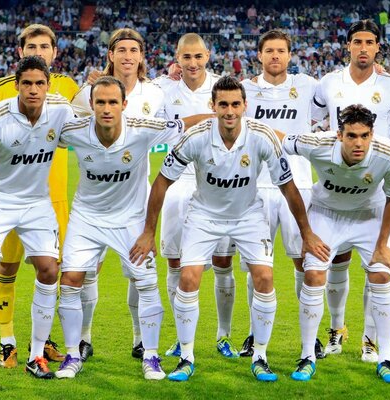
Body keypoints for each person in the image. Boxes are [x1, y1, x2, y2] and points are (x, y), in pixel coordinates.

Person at [140, 76, 329, 382]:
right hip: (204, 214)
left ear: (245, 106)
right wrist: (149, 231)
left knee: (265, 277)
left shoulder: (262, 136)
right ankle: (186, 357)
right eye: (223, 104)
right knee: (188, 278)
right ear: (212, 106)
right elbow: (161, 181)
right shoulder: (196, 136)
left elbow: (289, 187)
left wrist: (307, 233)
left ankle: (260, 356)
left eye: (235, 104)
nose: (229, 111)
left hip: (248, 215)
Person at [55, 76, 211, 380]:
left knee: (147, 283)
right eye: (100, 102)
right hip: (87, 218)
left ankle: (150, 357)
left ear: (124, 105)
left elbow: (185, 124)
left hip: (130, 219)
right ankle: (72, 355)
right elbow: (40, 135)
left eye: (113, 102)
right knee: (70, 280)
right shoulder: (74, 131)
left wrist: (221, 116)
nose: (107, 108)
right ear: (92, 105)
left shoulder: (142, 128)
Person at [0, 56, 74, 386]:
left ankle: (37, 356)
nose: (33, 89)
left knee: (49, 270)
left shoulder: (61, 111)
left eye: (40, 83)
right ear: (17, 85)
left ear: (48, 85)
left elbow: (88, 135)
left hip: (37, 202)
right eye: (27, 83)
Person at [283, 104, 390, 383]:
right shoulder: (317, 143)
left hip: (369, 216)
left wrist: (383, 243)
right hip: (327, 215)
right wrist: (306, 232)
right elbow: (278, 139)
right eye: (351, 136)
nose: (358, 142)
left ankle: (385, 358)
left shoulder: (388, 154)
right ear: (339, 135)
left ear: (372, 134)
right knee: (313, 275)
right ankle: (307, 356)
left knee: (381, 275)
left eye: (364, 135)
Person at [0, 23, 78, 368]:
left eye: (45, 46)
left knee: (51, 271)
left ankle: (44, 342)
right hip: (8, 196)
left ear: (55, 52)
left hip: (54, 198)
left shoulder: (68, 87)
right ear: (20, 51)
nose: (39, 51)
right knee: (5, 266)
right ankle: (7, 341)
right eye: (32, 46)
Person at [312, 19, 390, 361]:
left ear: (378, 47)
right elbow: (312, 123)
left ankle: (369, 339)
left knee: (376, 265)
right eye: (357, 41)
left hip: (374, 190)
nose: (363, 47)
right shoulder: (327, 84)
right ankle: (336, 330)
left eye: (369, 42)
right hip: (336, 188)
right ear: (348, 46)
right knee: (336, 260)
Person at [71, 28, 166, 361]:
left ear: (142, 56)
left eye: (134, 50)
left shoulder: (155, 93)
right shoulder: (86, 94)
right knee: (85, 271)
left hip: (135, 199)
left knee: (137, 272)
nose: (127, 55)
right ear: (110, 54)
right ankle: (83, 339)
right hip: (93, 200)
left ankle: (140, 339)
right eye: (121, 49)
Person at [239, 29, 324, 358]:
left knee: (304, 260)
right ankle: (252, 333)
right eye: (269, 51)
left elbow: (338, 93)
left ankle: (311, 337)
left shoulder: (309, 86)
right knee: (256, 264)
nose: (275, 56)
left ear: (290, 55)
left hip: (299, 184)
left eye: (281, 51)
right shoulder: (245, 89)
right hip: (255, 186)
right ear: (259, 55)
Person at [153, 33, 238, 359]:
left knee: (222, 261)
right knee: (175, 260)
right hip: (175, 181)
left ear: (208, 56)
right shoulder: (162, 88)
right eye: (186, 57)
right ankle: (179, 335)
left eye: (198, 57)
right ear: (176, 58)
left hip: (216, 181)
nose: (192, 63)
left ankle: (223, 334)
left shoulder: (222, 86)